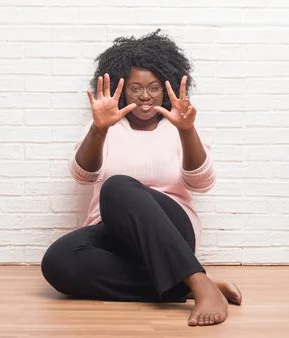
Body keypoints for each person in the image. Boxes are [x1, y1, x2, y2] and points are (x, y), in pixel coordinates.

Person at [40, 30, 242, 327]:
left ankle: (198, 283)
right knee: (58, 261)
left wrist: (187, 131)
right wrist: (99, 130)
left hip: (173, 231)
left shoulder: (177, 127)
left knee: (118, 187)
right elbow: (82, 176)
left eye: (154, 88)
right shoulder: (105, 127)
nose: (145, 96)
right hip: (113, 232)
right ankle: (192, 286)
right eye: (135, 88)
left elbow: (202, 183)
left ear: (167, 87)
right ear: (123, 90)